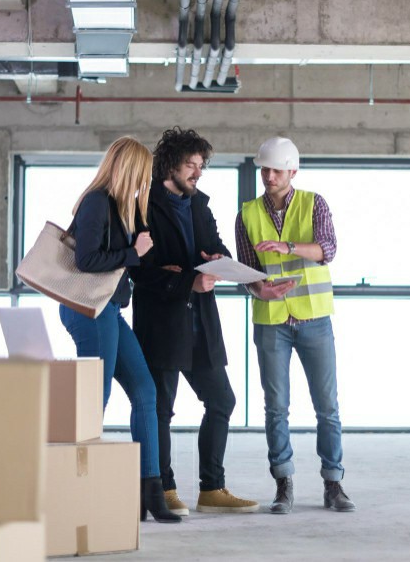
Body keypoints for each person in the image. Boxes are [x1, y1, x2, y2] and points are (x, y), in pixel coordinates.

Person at [129, 127, 258, 516]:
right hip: (163, 322)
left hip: (201, 318)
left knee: (222, 399)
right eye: (191, 165)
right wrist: (188, 279)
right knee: (161, 409)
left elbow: (215, 244)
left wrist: (215, 260)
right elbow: (139, 269)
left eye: (201, 166)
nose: (197, 173)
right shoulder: (143, 205)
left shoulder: (199, 204)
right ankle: (163, 488)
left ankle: (212, 489)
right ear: (170, 164)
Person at [58, 136, 181, 524]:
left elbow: (127, 259)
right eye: (143, 173)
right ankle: (75, 485)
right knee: (97, 397)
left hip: (109, 308)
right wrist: (134, 252)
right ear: (129, 169)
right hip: (88, 309)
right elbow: (87, 258)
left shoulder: (122, 207)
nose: (146, 181)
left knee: (146, 390)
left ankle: (151, 491)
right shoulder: (97, 202)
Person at [234, 136, 356, 514]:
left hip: (314, 318)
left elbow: (328, 249)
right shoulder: (247, 213)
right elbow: (246, 272)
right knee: (276, 408)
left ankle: (333, 484)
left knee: (327, 407)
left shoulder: (313, 203)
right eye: (264, 170)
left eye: (275, 170)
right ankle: (283, 484)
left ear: (292, 171)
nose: (268, 176)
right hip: (271, 320)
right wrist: (259, 290)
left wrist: (288, 247)